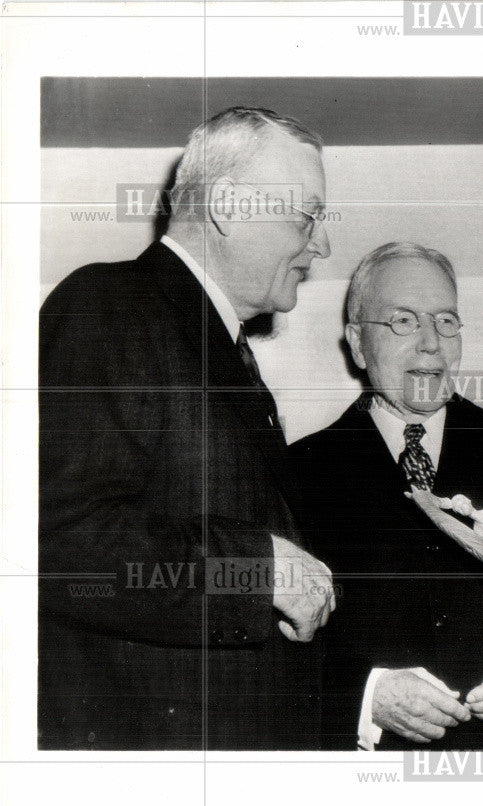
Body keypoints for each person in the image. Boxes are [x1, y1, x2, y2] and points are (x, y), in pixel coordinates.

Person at [38, 106, 336, 750]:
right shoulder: (108, 306)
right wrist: (254, 573)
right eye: (307, 215)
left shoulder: (221, 347)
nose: (321, 244)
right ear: (228, 205)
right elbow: (57, 542)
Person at [290, 242, 483, 750]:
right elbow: (277, 652)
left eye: (446, 321)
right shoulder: (297, 472)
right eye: (403, 321)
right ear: (358, 343)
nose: (431, 343)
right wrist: (366, 695)